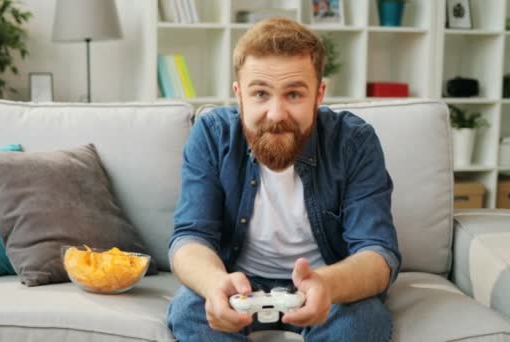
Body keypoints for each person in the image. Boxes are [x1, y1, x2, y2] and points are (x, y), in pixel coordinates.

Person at [167, 17, 401, 342]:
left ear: (319, 94)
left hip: (325, 284)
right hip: (240, 285)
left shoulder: (354, 142)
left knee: (364, 318)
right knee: (188, 310)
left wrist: (326, 286)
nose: (276, 114)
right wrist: (214, 284)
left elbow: (378, 253)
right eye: (261, 93)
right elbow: (190, 237)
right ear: (239, 95)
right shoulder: (212, 134)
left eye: (293, 95)